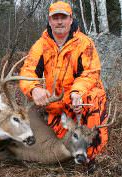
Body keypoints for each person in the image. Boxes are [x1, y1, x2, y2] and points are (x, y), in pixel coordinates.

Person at [19, 1, 107, 161]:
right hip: (58, 105)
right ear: (50, 21)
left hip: (81, 101)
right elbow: (28, 71)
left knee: (94, 97)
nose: (59, 21)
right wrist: (34, 88)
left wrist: (77, 92)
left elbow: (91, 73)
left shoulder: (84, 44)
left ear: (71, 19)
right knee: (61, 142)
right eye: (55, 18)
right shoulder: (40, 45)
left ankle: (92, 156)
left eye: (63, 17)